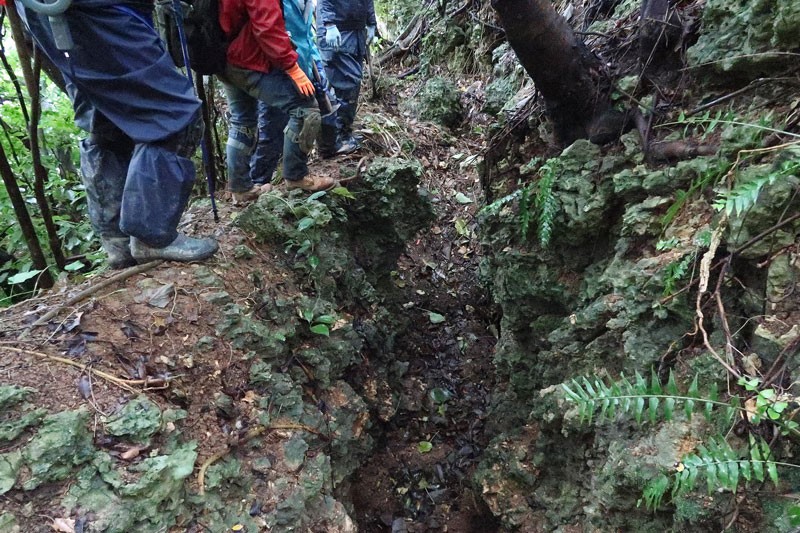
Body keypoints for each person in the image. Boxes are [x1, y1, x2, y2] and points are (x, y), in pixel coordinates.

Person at [11, 1, 219, 268]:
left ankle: (118, 243)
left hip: (49, 12)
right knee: (174, 116)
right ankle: (150, 236)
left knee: (107, 120)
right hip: (94, 10)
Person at [219, 0, 335, 195]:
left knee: (241, 120)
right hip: (250, 58)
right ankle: (297, 176)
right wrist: (291, 66)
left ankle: (241, 189)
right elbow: (267, 26)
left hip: (226, 58)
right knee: (305, 107)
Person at [249, 0, 340, 185]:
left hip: (303, 67)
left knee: (304, 117)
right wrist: (289, 67)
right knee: (271, 128)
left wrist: (316, 63)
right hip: (275, 70)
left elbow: (305, 37)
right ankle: (259, 181)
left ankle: (295, 174)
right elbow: (267, 33)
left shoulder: (306, 2)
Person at [316, 0, 377, 154]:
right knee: (347, 83)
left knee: (351, 85)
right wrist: (329, 24)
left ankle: (343, 133)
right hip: (335, 30)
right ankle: (334, 139)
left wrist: (371, 22)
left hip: (355, 31)